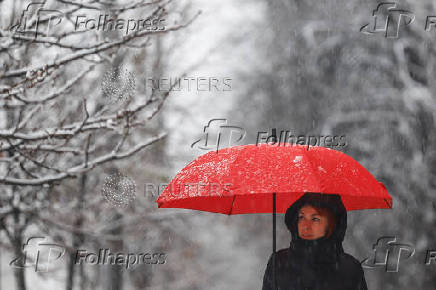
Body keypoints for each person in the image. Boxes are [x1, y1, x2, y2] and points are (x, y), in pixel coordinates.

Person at [262, 192, 368, 290]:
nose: (306, 226)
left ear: (332, 224)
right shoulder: (279, 262)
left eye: (315, 219)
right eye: (301, 217)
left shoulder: (349, 268)